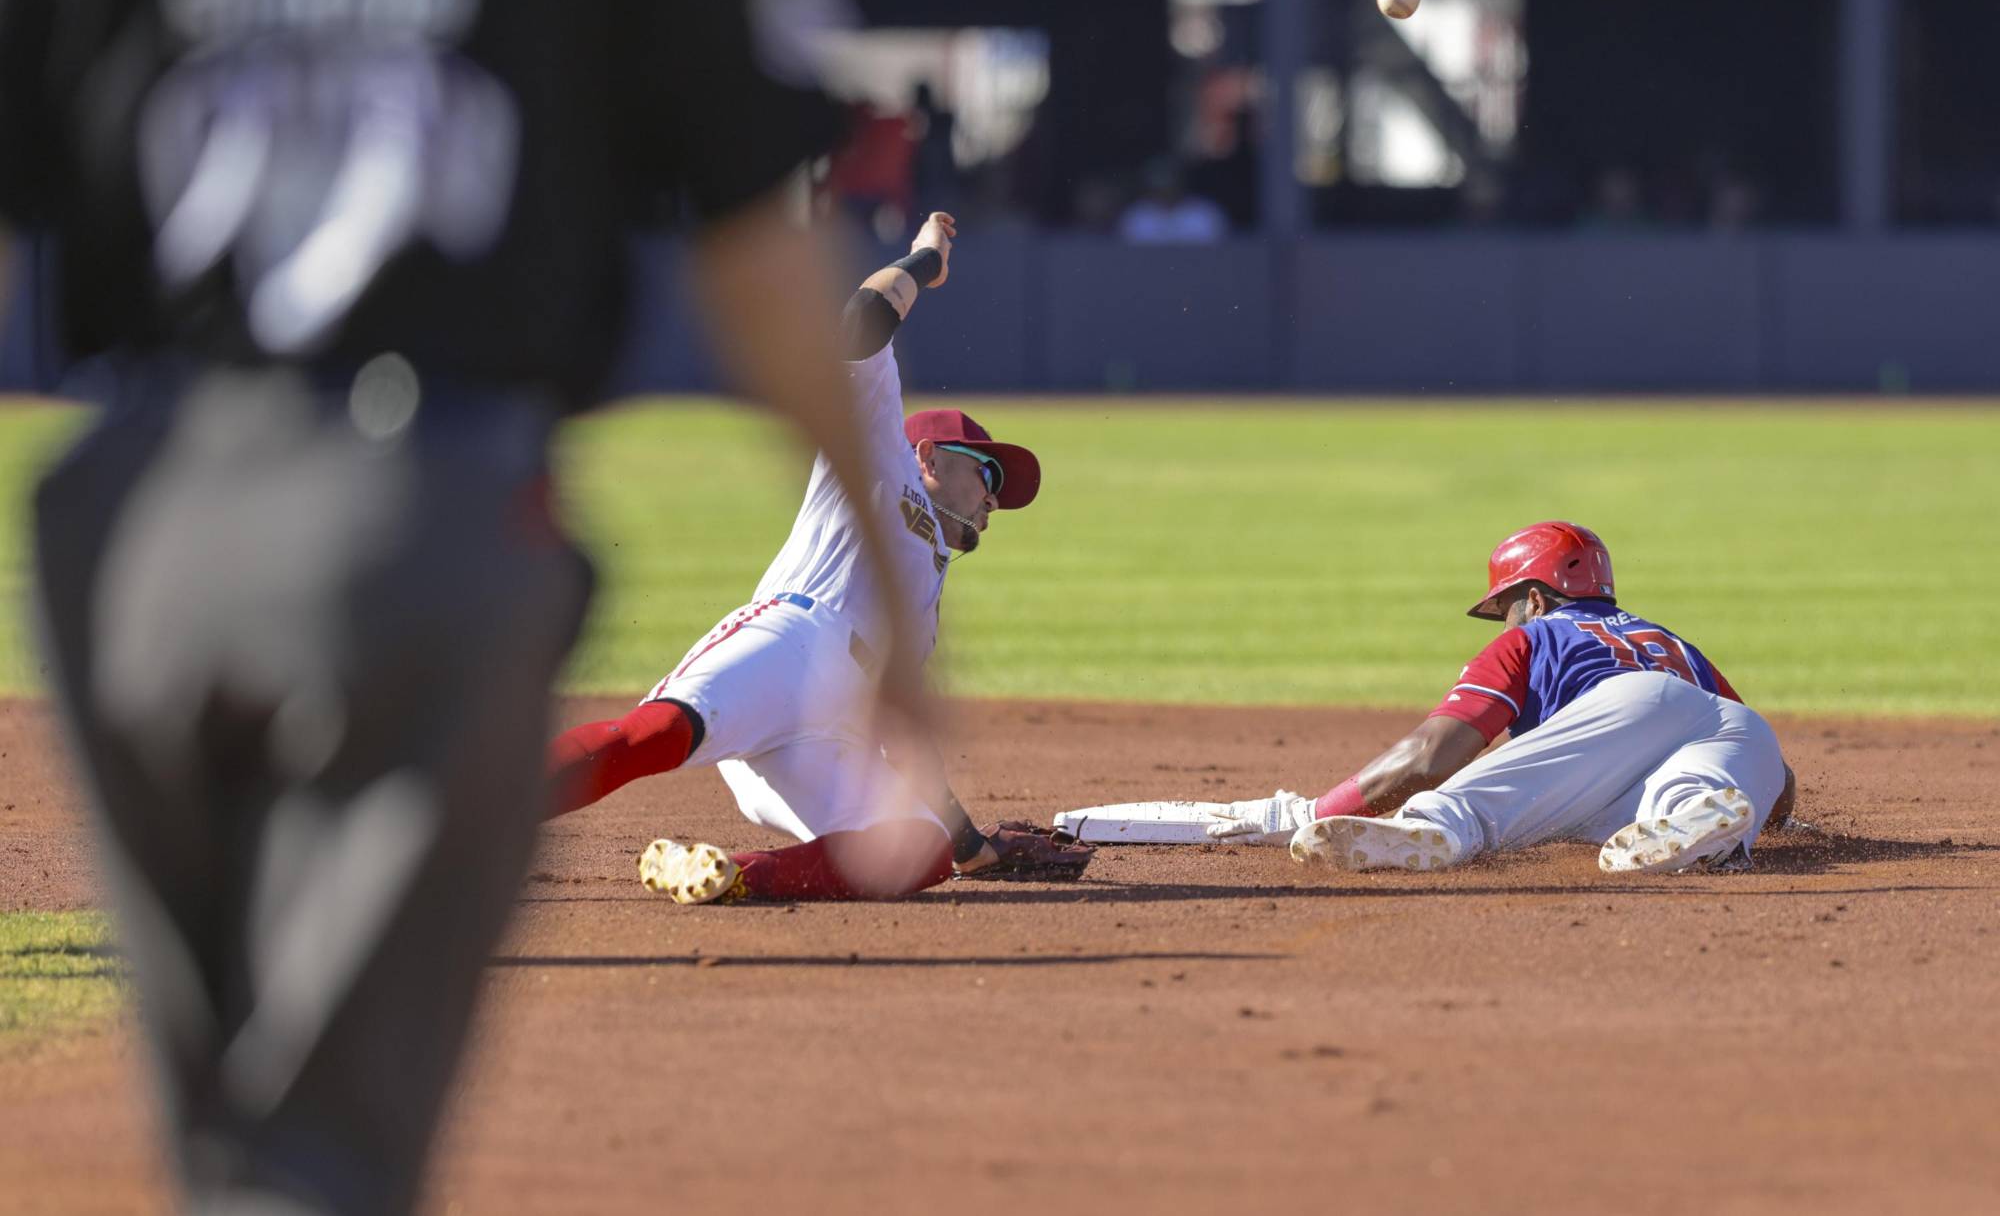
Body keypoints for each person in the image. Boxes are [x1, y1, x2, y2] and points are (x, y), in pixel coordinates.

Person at [0, 0, 933, 1213]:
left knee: (217, 1122)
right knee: (327, 1143)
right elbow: (761, 256)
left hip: (134, 526)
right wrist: (896, 607)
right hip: (426, 506)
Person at [546, 211, 1096, 902]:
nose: (993, 499)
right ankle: (475, 815)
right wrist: (927, 259)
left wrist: (972, 847)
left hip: (831, 733)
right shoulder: (877, 453)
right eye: (987, 474)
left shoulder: (925, 597)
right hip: (787, 645)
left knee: (919, 849)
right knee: (650, 735)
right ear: (929, 456)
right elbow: (863, 315)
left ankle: (727, 874)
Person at [1205, 522, 1796, 875]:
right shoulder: (1673, 644)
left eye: (1504, 607)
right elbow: (1781, 787)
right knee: (1671, 799)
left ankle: (1430, 828)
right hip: (1747, 731)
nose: (1502, 622)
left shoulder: (1534, 636)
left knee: (1473, 806)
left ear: (1535, 599)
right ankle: (1696, 814)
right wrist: (1760, 792)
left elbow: (1429, 756)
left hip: (1628, 706)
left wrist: (1319, 811)